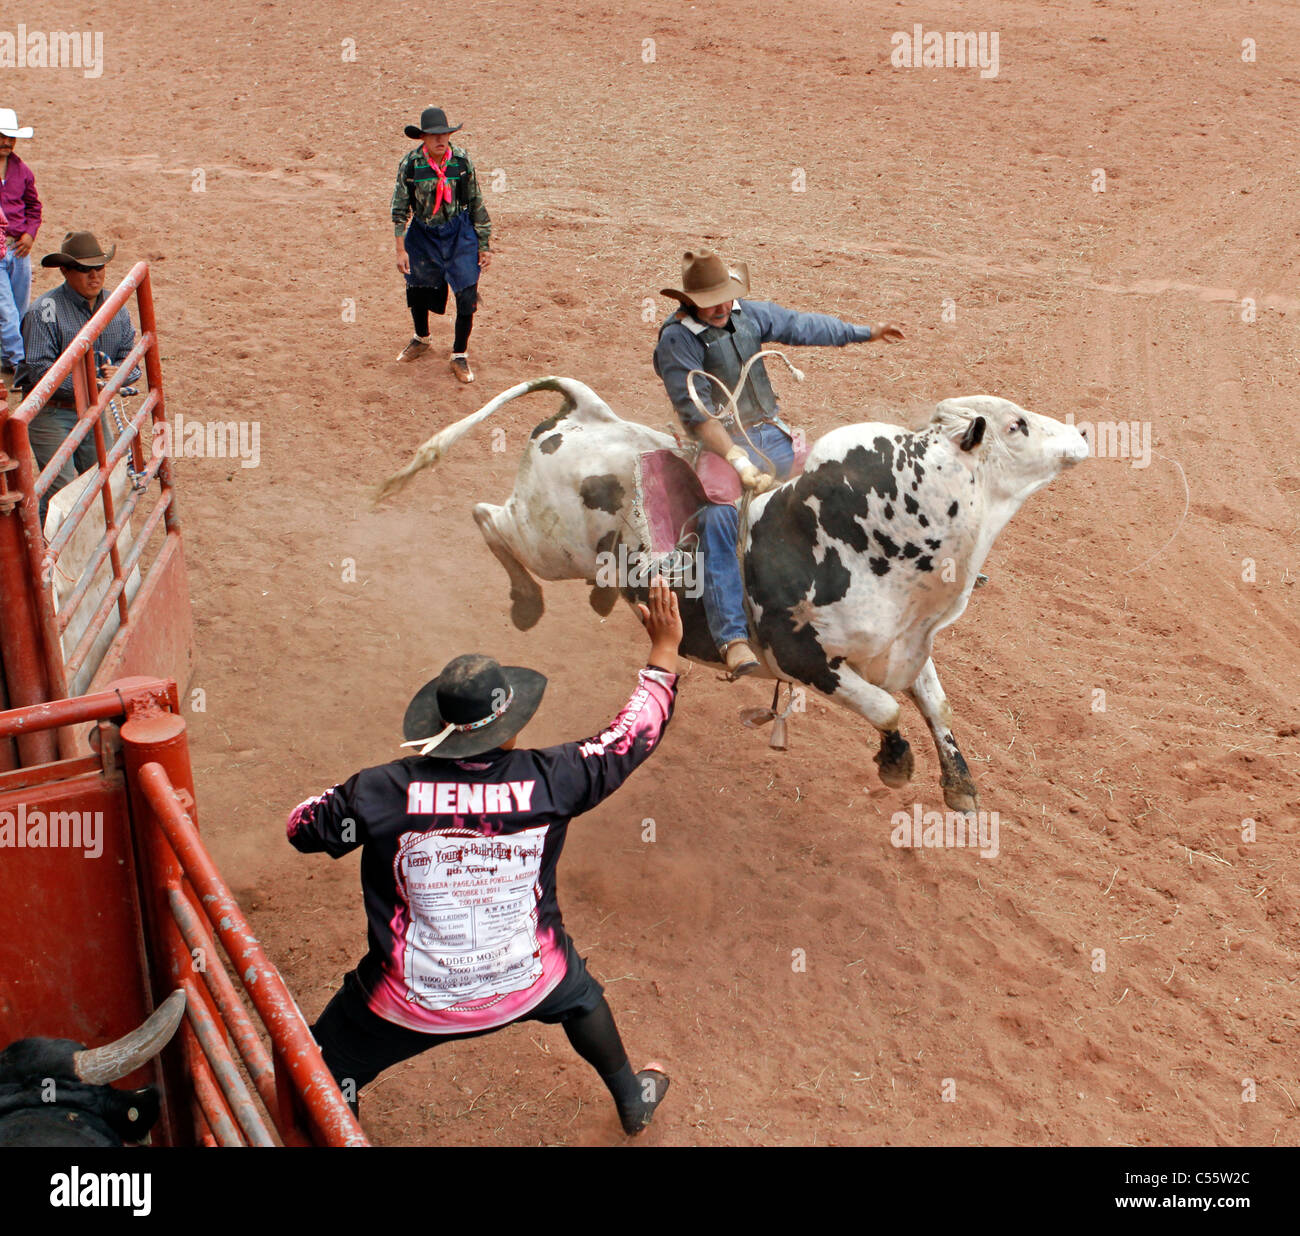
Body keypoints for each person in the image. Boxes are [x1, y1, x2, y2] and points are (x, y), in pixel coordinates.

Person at [288, 579, 684, 1137]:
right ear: (510, 726)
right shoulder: (557, 778)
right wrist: (664, 650)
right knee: (580, 997)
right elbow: (632, 735)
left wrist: (353, 797)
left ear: (436, 728)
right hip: (529, 976)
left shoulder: (379, 791)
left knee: (325, 1069)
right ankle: (630, 1099)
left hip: (412, 999)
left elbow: (302, 828)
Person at [653, 249, 904, 676]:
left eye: (724, 297)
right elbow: (696, 414)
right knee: (718, 517)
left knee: (838, 481)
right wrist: (735, 458)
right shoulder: (676, 340)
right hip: (720, 445)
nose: (720, 307)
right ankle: (732, 637)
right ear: (690, 301)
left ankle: (900, 561)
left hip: (770, 432)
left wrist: (865, 333)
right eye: (710, 301)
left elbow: (800, 325)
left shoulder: (746, 314)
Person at [15, 231, 139, 520]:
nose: (94, 276)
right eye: (84, 269)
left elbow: (131, 360)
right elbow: (40, 370)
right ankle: (42, 542)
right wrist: (95, 384)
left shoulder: (116, 309)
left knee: (103, 479)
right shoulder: (43, 312)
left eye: (99, 268)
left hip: (91, 409)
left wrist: (119, 373)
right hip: (50, 412)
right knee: (62, 490)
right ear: (65, 271)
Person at [391, 106, 492, 383]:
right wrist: (400, 249)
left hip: (459, 233)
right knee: (418, 287)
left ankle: (459, 354)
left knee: (467, 294)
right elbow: (400, 209)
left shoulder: (461, 161)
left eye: (444, 134)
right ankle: (421, 338)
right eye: (434, 135)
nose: (440, 139)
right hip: (423, 234)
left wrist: (484, 243)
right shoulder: (411, 165)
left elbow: (476, 201)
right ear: (423, 137)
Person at [0, 108, 42, 380]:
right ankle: (19, 362)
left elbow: (33, 207)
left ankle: (9, 358)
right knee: (6, 309)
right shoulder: (20, 169)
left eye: (10, 138)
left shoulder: (22, 171)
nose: (7, 142)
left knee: (18, 306)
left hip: (18, 247)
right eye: (2, 137)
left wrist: (30, 234)